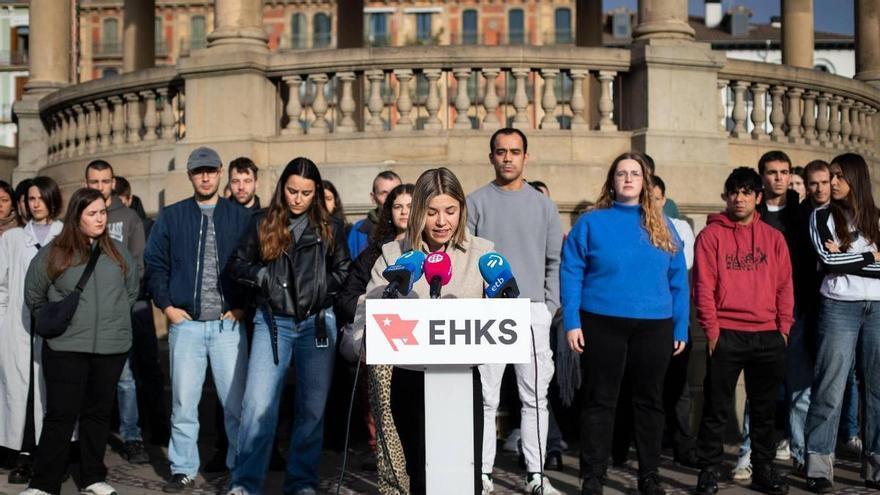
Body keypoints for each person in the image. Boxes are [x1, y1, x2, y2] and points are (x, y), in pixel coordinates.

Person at [355, 167, 494, 495]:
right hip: (411, 381)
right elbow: (367, 312)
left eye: (450, 211)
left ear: (462, 210)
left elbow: (499, 313)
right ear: (418, 211)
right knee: (421, 475)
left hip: (462, 380)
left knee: (465, 477)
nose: (442, 222)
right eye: (432, 212)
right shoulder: (393, 255)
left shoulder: (483, 254)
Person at [561, 151, 688, 495]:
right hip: (601, 321)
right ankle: (593, 476)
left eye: (635, 173)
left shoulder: (663, 224)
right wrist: (572, 321)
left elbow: (678, 280)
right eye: (622, 173)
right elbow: (571, 271)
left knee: (650, 401)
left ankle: (649, 476)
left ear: (645, 182)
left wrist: (680, 326)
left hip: (655, 325)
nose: (628, 179)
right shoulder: (591, 222)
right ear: (612, 182)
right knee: (599, 399)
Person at [225, 157, 349, 495]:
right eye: (292, 190)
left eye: (306, 193)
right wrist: (262, 276)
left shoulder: (331, 227)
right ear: (283, 188)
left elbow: (343, 271)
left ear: (316, 192)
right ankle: (245, 483)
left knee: (311, 410)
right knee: (257, 406)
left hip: (317, 323)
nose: (298, 198)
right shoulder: (262, 222)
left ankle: (301, 483)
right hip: (272, 322)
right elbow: (236, 264)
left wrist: (319, 289)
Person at [144, 146, 252, 493]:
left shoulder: (240, 217)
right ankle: (183, 469)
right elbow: (155, 263)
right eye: (198, 171)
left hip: (228, 325)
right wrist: (166, 306)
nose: (205, 177)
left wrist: (242, 306)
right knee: (183, 403)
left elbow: (255, 264)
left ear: (220, 172)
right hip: (186, 325)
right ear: (190, 175)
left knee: (235, 405)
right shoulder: (172, 216)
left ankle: (240, 469)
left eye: (210, 171)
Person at [21, 187, 139, 495]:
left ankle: (92, 477)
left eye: (103, 212)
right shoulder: (55, 252)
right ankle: (44, 483)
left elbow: (131, 292)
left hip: (110, 349)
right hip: (66, 348)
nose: (100, 219)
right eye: (92, 213)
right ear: (77, 216)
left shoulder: (118, 252)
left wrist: (112, 321)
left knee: (98, 415)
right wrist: (61, 323)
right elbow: (33, 294)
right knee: (60, 416)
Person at [467, 128, 563, 495]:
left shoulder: (544, 205)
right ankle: (482, 474)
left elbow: (554, 261)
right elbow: (467, 261)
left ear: (526, 156)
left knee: (535, 398)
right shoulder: (475, 202)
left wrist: (547, 307)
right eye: (501, 151)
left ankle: (536, 475)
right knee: (485, 398)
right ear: (491, 156)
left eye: (515, 151)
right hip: (489, 313)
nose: (508, 157)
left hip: (533, 311)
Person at [692, 167, 793, 495]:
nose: (739, 198)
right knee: (716, 408)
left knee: (764, 410)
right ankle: (708, 470)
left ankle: (763, 468)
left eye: (747, 192)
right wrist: (712, 330)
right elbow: (703, 287)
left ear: (758, 198)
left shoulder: (774, 238)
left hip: (768, 335)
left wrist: (783, 329)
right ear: (726, 196)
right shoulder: (711, 236)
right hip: (727, 333)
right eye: (734, 192)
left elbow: (785, 286)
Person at [804, 153, 880, 493]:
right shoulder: (821, 216)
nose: (832, 182)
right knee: (830, 388)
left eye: (839, 175)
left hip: (878, 308)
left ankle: (875, 468)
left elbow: (840, 261)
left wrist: (846, 258)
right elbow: (828, 261)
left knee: (876, 390)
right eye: (830, 176)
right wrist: (870, 256)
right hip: (838, 307)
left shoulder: (877, 218)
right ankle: (819, 468)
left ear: (855, 178)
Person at [612, 175, 698, 469]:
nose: (652, 202)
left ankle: (682, 446)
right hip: (635, 320)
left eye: (657, 198)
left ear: (664, 200)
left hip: (671, 319)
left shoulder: (678, 228)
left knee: (677, 388)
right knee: (629, 385)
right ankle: (621, 447)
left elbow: (681, 271)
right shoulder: (627, 227)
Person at [84, 159, 149, 465]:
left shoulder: (129, 218)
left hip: (119, 312)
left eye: (105, 181)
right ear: (86, 184)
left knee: (125, 378)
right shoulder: (80, 215)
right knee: (87, 378)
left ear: (113, 182)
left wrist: (118, 300)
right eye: (94, 182)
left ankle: (132, 437)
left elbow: (138, 266)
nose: (100, 187)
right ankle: (86, 438)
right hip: (86, 315)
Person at [0, 177, 63, 486]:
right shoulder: (12, 239)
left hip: (57, 324)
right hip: (19, 325)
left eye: (41, 198)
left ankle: (53, 453)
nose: (36, 204)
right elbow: (1, 285)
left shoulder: (66, 235)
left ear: (52, 199)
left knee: (53, 389)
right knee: (22, 391)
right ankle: (24, 453)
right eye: (31, 198)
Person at [112, 176, 170, 447]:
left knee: (145, 367)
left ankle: (156, 427)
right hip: (126, 304)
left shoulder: (145, 225)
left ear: (127, 199)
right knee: (129, 370)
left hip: (139, 303)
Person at [785, 160, 832, 475]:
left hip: (837, 308)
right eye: (812, 183)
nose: (818, 188)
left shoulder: (844, 215)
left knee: (831, 387)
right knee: (799, 387)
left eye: (823, 182)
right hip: (801, 309)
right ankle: (801, 454)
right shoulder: (799, 215)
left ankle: (825, 451)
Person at [347, 171, 402, 258]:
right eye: (384, 193)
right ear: (373, 197)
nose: (390, 198)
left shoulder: (412, 227)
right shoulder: (359, 230)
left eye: (395, 192)